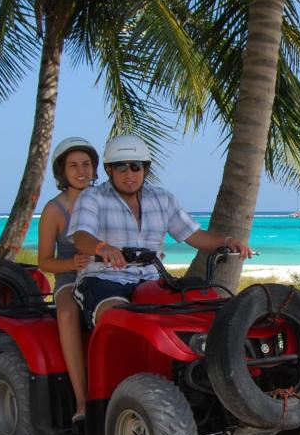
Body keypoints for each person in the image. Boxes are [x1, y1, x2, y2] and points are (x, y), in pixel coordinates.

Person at [68, 134, 255, 328]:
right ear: (109, 169)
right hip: (104, 279)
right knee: (117, 319)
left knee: (201, 313)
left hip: (152, 280)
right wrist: (102, 248)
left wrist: (226, 241)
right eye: (121, 166)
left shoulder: (162, 198)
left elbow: (194, 235)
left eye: (136, 166)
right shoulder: (92, 197)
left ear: (145, 168)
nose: (129, 174)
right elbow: (81, 236)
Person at [37, 136, 99, 424]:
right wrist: (70, 263)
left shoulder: (107, 199)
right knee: (65, 313)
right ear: (62, 171)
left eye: (86, 164)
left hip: (104, 274)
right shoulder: (54, 210)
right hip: (69, 278)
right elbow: (44, 260)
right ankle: (82, 400)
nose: (81, 171)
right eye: (73, 165)